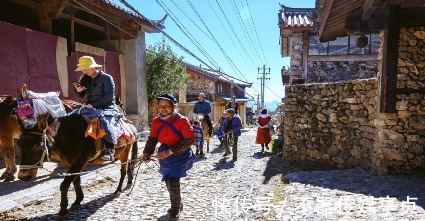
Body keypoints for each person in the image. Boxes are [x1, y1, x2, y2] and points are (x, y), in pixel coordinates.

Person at [143, 94, 196, 220]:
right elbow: (153, 138)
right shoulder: (156, 121)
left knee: (173, 181)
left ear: (174, 107)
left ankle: (175, 208)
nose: (163, 108)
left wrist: (171, 151)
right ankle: (177, 203)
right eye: (160, 105)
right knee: (168, 181)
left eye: (167, 106)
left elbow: (189, 140)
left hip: (180, 154)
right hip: (165, 155)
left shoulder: (182, 121)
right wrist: (147, 152)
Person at [73, 56, 121, 161]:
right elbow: (80, 97)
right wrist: (78, 91)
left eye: (87, 68)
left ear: (94, 67)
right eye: (83, 69)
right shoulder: (85, 79)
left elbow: (109, 96)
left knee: (105, 122)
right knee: (71, 117)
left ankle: (110, 149)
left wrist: (94, 105)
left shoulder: (107, 78)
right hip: (89, 107)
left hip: (107, 107)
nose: (85, 71)